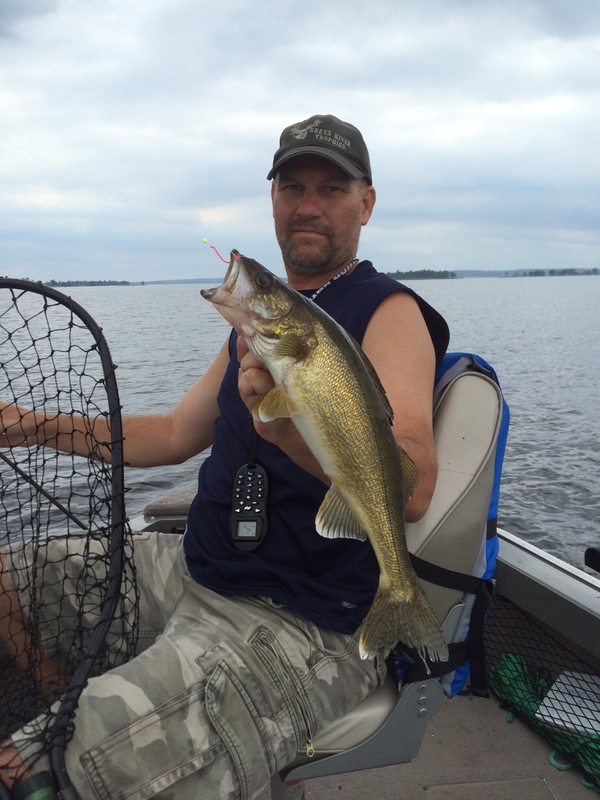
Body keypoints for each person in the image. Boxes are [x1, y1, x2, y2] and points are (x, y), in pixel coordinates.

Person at [0, 114, 449, 800]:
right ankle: (62, 695)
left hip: (297, 622)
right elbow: (176, 434)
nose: (307, 205)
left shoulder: (387, 312)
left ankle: (73, 738)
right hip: (194, 569)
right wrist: (26, 426)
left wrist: (288, 432)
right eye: (291, 186)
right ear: (272, 198)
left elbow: (411, 488)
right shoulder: (272, 320)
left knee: (41, 772)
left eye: (331, 189)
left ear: (366, 203)